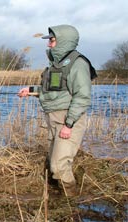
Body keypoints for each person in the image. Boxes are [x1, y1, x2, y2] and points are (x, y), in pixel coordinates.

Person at [18, 24, 95, 196]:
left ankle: (71, 200)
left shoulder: (78, 63)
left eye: (52, 41)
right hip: (54, 120)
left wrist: (69, 125)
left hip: (67, 120)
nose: (49, 44)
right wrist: (31, 91)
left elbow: (82, 97)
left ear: (64, 41)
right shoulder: (56, 64)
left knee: (58, 167)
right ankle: (60, 195)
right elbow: (53, 91)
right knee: (53, 164)